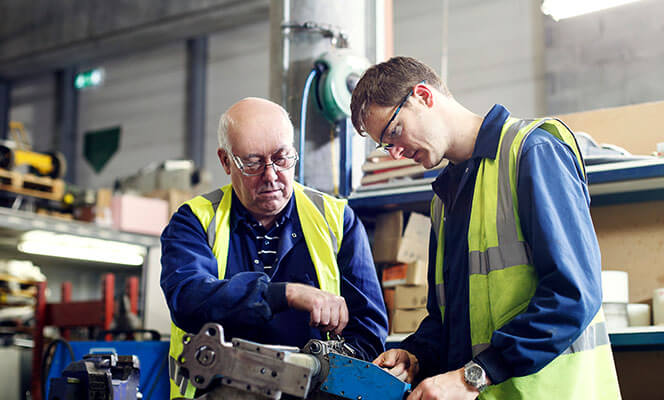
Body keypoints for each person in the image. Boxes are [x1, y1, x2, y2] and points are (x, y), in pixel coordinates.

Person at [350, 57, 621, 400]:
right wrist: (416, 354)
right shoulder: (444, 198)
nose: (395, 153)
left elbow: (573, 294)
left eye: (394, 132)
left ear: (423, 96)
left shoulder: (531, 152)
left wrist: (475, 375)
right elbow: (448, 318)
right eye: (386, 145)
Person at [161, 97, 388, 398]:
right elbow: (188, 299)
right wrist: (286, 294)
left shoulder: (336, 220)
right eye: (252, 163)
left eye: (282, 159)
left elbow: (368, 332)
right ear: (226, 161)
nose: (270, 176)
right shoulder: (195, 221)